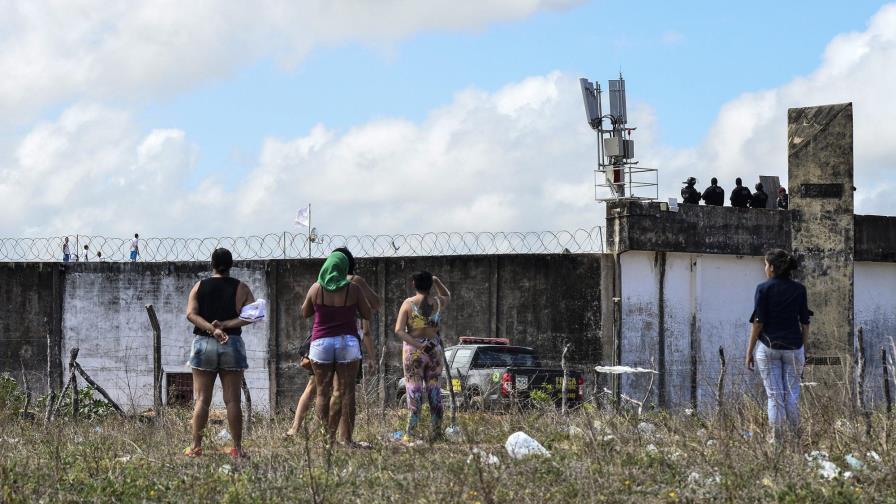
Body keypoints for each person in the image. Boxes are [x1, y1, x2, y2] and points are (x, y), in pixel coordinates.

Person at [184, 248, 255, 459]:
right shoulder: (241, 288)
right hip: (231, 343)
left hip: (204, 342)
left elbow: (191, 314)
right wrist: (225, 324)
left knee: (202, 400)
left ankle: (196, 447)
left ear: (212, 264)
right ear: (231, 265)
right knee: (232, 400)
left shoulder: (199, 286)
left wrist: (212, 329)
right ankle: (237, 448)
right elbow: (252, 315)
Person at [302, 251, 371, 443]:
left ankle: (325, 440)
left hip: (321, 343)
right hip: (347, 342)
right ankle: (346, 439)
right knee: (346, 391)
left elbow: (305, 312)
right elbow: (367, 313)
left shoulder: (316, 288)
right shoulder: (353, 289)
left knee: (323, 392)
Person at [745, 249, 811, 443]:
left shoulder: (763, 289)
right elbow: (805, 322)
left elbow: (758, 322)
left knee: (775, 397)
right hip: (794, 348)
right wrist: (804, 350)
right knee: (791, 397)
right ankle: (797, 440)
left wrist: (749, 351)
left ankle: (777, 443)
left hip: (768, 348)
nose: (765, 268)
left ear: (772, 267)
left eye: (766, 264)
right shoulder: (799, 289)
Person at [394, 271, 451, 443]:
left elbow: (398, 330)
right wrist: (437, 280)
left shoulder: (408, 303)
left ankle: (410, 434)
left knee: (414, 391)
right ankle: (437, 432)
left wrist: (418, 345)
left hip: (415, 352)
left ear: (413, 284)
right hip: (434, 351)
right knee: (434, 391)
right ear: (430, 285)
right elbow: (447, 294)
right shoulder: (437, 303)